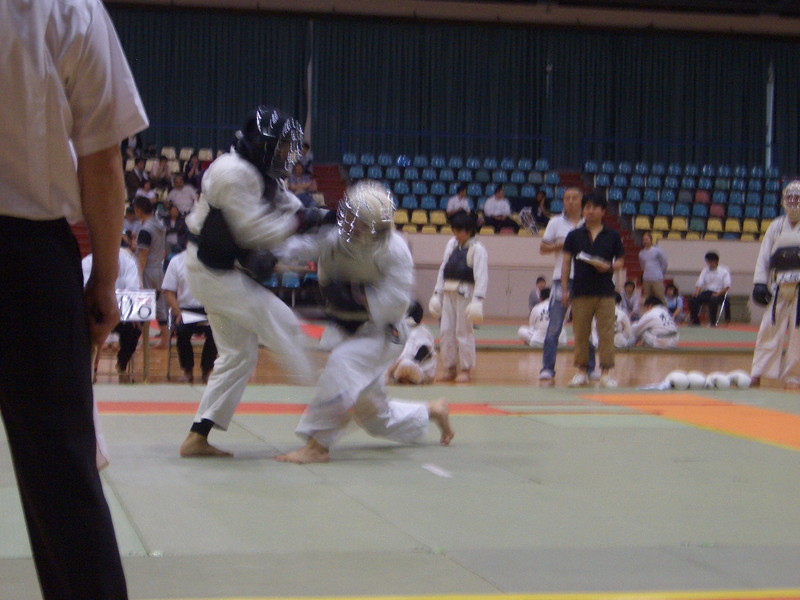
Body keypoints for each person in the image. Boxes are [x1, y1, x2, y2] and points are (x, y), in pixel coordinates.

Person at [0, 1, 147, 597]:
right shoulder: (70, 8)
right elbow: (102, 159)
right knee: (63, 476)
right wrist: (105, 280)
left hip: (30, 253)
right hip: (28, 258)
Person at [275, 180, 454, 464]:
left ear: (375, 228)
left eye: (357, 221)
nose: (348, 224)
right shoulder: (337, 236)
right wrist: (269, 255)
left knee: (342, 364)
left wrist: (356, 296)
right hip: (347, 327)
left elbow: (395, 303)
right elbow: (303, 247)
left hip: (384, 331)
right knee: (375, 418)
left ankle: (318, 445)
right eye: (348, 216)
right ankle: (432, 410)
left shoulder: (394, 252)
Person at [179, 105, 322, 458]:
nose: (290, 156)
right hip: (211, 271)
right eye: (285, 147)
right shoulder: (230, 173)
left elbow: (289, 208)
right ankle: (329, 414)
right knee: (284, 325)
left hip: (220, 270)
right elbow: (255, 229)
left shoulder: (264, 174)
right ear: (263, 143)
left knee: (238, 356)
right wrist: (303, 222)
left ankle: (197, 437)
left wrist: (324, 216)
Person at [561, 190, 625, 388]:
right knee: (581, 333)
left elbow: (621, 261)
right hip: (580, 291)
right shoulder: (574, 236)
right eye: (587, 207)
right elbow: (565, 263)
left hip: (605, 292)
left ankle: (605, 373)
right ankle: (581, 371)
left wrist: (609, 267)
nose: (590, 211)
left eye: (594, 208)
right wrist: (564, 289)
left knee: (606, 333)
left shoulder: (612, 235)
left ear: (603, 211)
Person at [538, 186, 596, 382]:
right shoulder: (555, 222)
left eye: (574, 198)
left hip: (586, 280)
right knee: (554, 326)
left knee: (585, 327)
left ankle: (590, 368)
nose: (570, 201)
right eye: (566, 198)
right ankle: (547, 368)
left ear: (582, 201)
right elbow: (543, 248)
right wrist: (561, 245)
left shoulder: (590, 223)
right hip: (559, 280)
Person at [750, 180, 800, 389]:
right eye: (789, 197)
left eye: (797, 198)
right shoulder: (776, 226)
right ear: (783, 200)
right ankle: (758, 373)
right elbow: (764, 256)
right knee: (768, 330)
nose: (793, 201)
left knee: (798, 334)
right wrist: (759, 283)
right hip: (778, 286)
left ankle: (794, 377)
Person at [428, 211, 489, 383]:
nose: (456, 234)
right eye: (454, 230)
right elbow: (443, 269)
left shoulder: (478, 249)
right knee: (446, 331)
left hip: (466, 294)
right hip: (448, 292)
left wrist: (478, 300)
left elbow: (482, 276)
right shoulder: (451, 245)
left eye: (459, 230)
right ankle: (450, 367)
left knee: (463, 332)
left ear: (469, 230)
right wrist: (436, 294)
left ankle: (466, 369)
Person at [82, 238, 144, 384]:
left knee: (135, 328)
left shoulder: (128, 263)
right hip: (95, 311)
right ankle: (92, 367)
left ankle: (122, 363)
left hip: (121, 313)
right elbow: (84, 290)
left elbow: (133, 289)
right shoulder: (88, 262)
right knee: (87, 328)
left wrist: (131, 312)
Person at [162, 249, 218, 384]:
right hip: (185, 310)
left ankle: (207, 370)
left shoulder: (214, 259)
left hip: (209, 310)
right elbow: (168, 292)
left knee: (217, 332)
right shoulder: (177, 261)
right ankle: (188, 370)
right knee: (181, 331)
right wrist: (177, 311)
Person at [133, 196, 170, 348]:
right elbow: (165, 251)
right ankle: (165, 341)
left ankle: (141, 341)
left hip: (147, 270)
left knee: (142, 306)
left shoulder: (146, 229)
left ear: (139, 211)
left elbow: (143, 255)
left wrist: (138, 277)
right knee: (160, 306)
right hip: (159, 271)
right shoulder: (160, 225)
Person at [390, 301, 438, 384]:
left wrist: (408, 361)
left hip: (421, 371)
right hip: (401, 366)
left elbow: (424, 351)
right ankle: (400, 378)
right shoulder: (404, 331)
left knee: (406, 364)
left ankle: (403, 378)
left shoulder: (422, 331)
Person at [689, 251, 731, 326]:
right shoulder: (705, 270)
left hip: (719, 293)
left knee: (713, 300)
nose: (709, 264)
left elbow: (727, 286)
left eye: (711, 262)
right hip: (707, 292)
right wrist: (696, 292)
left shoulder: (724, 271)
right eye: (708, 262)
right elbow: (700, 283)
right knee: (693, 299)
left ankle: (713, 322)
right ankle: (695, 321)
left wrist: (718, 294)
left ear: (716, 261)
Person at [638, 231, 668, 302]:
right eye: (643, 240)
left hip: (657, 278)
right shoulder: (641, 253)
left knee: (660, 297)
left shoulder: (657, 251)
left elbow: (664, 263)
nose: (645, 241)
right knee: (648, 299)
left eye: (646, 239)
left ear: (651, 240)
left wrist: (660, 273)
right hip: (646, 278)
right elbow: (642, 265)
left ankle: (664, 311)